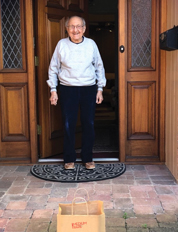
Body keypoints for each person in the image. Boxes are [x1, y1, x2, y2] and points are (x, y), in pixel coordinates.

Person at [47, 16, 106, 170]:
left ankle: (87, 158)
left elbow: (99, 67)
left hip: (88, 89)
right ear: (67, 29)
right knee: (68, 125)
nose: (75, 30)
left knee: (89, 124)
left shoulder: (91, 44)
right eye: (72, 27)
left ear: (84, 28)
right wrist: (53, 90)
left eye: (78, 26)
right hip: (68, 89)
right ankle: (69, 159)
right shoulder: (61, 45)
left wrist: (100, 89)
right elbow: (53, 68)